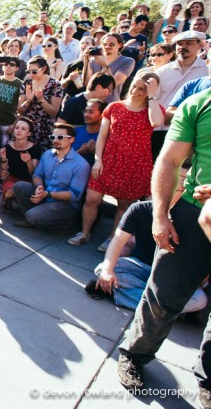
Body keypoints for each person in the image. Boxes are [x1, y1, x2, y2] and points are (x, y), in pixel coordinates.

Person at [116, 87, 211, 400]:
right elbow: (169, 160)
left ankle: (208, 380)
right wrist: (160, 214)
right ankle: (135, 354)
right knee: (164, 292)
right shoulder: (198, 104)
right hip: (195, 215)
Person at [68, 72, 164, 249]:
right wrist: (98, 160)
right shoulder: (114, 107)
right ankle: (84, 232)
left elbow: (157, 121)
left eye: (142, 89)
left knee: (124, 205)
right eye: (134, 86)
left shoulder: (152, 110)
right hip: (109, 160)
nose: (135, 91)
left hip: (135, 164)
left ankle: (112, 238)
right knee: (92, 198)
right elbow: (102, 137)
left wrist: (152, 96)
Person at [87, 200, 207, 313]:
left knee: (199, 300)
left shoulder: (196, 218)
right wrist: (108, 271)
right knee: (102, 268)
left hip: (172, 277)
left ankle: (117, 293)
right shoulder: (140, 208)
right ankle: (165, 308)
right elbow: (117, 241)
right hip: (140, 267)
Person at [13, 123, 91, 230]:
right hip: (46, 194)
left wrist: (48, 194)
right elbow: (37, 174)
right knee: (19, 186)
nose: (55, 140)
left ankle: (62, 224)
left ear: (71, 140)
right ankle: (34, 218)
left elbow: (74, 195)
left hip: (64, 204)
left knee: (32, 215)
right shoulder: (47, 154)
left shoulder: (81, 165)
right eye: (53, 137)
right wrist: (39, 186)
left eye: (60, 137)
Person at [152, 31, 207, 161]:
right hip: (160, 129)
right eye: (179, 44)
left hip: (191, 131)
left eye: (189, 43)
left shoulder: (205, 70)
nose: (183, 47)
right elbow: (153, 99)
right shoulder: (162, 71)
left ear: (199, 45)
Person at [17, 56, 63, 150]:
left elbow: (54, 112)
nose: (31, 74)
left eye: (34, 71)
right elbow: (20, 111)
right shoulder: (26, 84)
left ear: (44, 69)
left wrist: (41, 99)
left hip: (45, 128)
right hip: (27, 128)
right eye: (28, 71)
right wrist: (28, 101)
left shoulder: (55, 84)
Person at [0, 117, 41, 212]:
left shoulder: (35, 148)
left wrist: (28, 162)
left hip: (28, 181)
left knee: (19, 192)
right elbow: (2, 175)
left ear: (29, 133)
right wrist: (3, 159)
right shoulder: (7, 147)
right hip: (12, 179)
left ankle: (19, 201)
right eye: (17, 128)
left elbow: (34, 173)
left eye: (23, 129)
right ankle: (10, 199)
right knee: (10, 192)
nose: (19, 131)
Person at [82, 32, 135, 104]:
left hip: (110, 104)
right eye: (104, 44)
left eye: (111, 44)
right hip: (91, 103)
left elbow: (113, 84)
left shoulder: (128, 61)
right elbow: (87, 83)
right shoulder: (94, 60)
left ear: (120, 45)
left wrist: (105, 66)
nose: (107, 47)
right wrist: (86, 61)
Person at [71, 98, 106, 165]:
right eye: (85, 111)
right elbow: (62, 157)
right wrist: (80, 152)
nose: (86, 115)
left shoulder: (107, 136)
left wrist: (95, 152)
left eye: (91, 112)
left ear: (102, 115)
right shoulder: (74, 132)